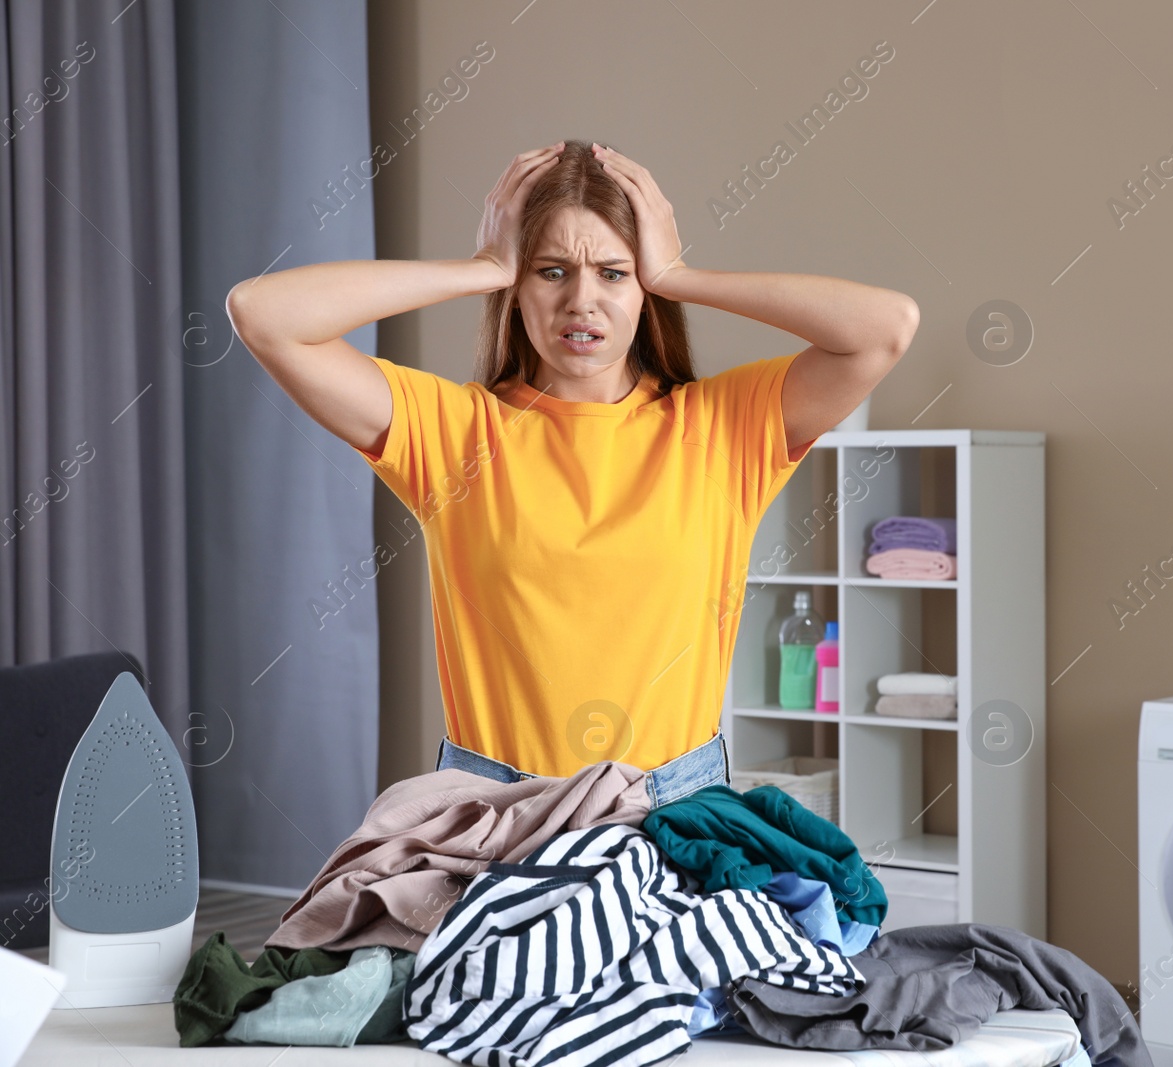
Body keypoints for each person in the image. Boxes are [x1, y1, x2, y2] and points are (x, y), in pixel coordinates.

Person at [226, 139, 918, 806]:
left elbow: (886, 325)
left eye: (613, 274)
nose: (581, 300)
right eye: (551, 270)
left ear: (644, 289)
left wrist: (681, 274)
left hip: (670, 819)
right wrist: (483, 266)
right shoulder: (453, 433)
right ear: (518, 288)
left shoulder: (722, 429)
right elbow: (264, 314)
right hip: (493, 822)